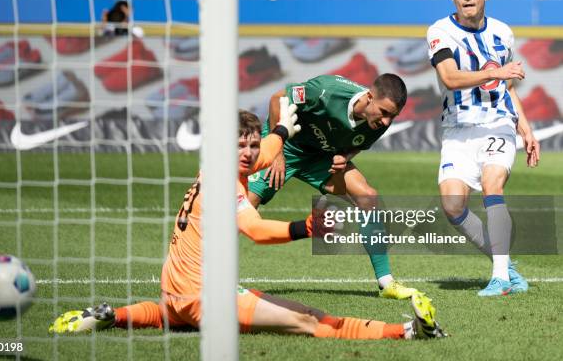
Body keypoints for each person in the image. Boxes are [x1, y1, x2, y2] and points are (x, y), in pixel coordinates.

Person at [49, 101, 445, 340]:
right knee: (307, 319)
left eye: (252, 145)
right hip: (208, 299)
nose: (249, 152)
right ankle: (407, 331)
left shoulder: (216, 167)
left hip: (174, 294)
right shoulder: (227, 183)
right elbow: (255, 231)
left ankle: (112, 315)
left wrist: (279, 130)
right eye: (240, 145)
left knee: (173, 317)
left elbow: (265, 149)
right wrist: (305, 228)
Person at [247, 74, 418, 300]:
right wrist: (276, 152)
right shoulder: (326, 90)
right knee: (245, 207)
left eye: (392, 116)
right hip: (285, 148)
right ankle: (204, 275)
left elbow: (357, 144)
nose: (386, 121)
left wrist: (343, 159)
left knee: (368, 197)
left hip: (321, 156)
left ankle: (386, 283)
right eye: (384, 112)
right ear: (369, 98)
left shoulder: (379, 123)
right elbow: (278, 98)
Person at [426, 0, 539, 296]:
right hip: (457, 129)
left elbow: (506, 89)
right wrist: (499, 73)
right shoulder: (439, 32)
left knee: (492, 184)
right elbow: (449, 77)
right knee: (452, 206)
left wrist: (525, 126)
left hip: (497, 124)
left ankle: (501, 278)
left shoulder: (503, 32)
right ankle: (504, 264)